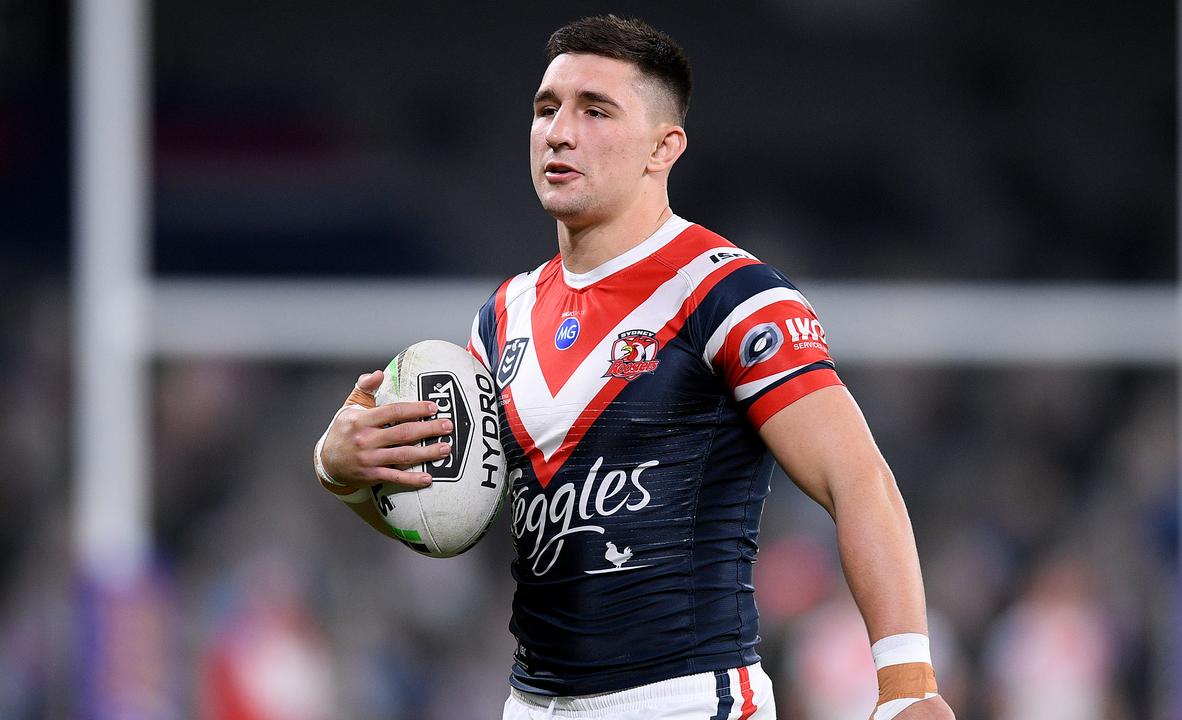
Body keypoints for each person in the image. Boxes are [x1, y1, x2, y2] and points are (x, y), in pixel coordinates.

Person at [313, 15, 955, 720]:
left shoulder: (726, 292)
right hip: (532, 705)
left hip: (684, 702)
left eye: (595, 110)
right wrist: (345, 477)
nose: (559, 131)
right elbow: (458, 521)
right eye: (546, 109)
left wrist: (907, 684)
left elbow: (857, 476)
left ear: (663, 146)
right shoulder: (500, 316)